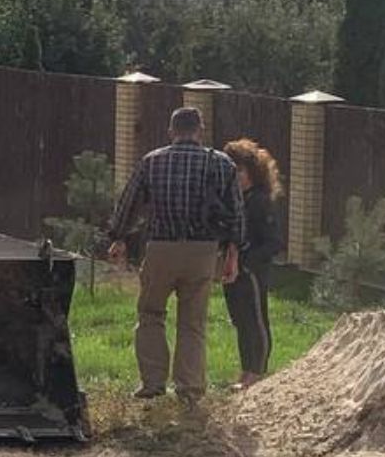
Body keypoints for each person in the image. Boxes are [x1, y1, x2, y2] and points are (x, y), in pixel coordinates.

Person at [104, 106, 244, 401]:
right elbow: (236, 215)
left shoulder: (152, 161)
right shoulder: (222, 164)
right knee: (193, 322)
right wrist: (232, 254)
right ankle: (190, 389)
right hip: (203, 251)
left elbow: (128, 203)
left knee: (151, 313)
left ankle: (153, 384)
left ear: (171, 131)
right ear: (200, 130)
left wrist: (118, 238)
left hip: (161, 248)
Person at [222, 138, 284, 386]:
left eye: (240, 170)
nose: (236, 176)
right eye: (232, 170)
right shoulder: (235, 200)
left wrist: (247, 261)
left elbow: (274, 242)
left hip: (252, 271)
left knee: (255, 320)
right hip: (232, 272)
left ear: (252, 172)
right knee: (240, 320)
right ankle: (246, 369)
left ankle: (257, 372)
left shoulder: (260, 201)